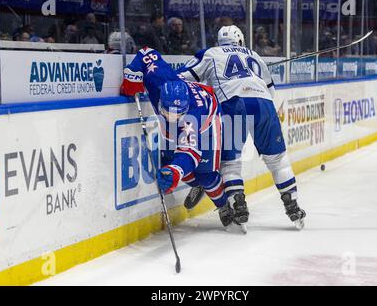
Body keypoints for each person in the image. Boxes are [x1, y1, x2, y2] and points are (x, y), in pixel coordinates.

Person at [178, 25, 306, 229]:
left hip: (233, 103)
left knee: (230, 163)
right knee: (278, 161)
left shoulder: (210, 53)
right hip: (264, 104)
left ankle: (238, 204)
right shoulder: (254, 55)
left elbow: (181, 78)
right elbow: (271, 91)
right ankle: (293, 206)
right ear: (240, 40)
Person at [119, 47, 236, 227]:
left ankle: (223, 204)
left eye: (177, 114)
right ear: (160, 101)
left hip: (210, 116)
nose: (171, 117)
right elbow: (146, 52)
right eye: (167, 112)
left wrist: (176, 172)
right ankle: (196, 183)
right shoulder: (157, 80)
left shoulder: (192, 117)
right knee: (170, 161)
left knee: (205, 174)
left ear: (185, 109)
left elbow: (191, 153)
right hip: (187, 104)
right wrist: (133, 75)